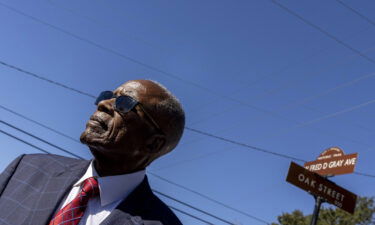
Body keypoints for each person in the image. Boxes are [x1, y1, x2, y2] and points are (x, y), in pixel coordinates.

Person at [0, 80, 185, 225]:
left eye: (124, 103)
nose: (103, 103)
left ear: (153, 143)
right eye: (107, 96)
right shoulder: (26, 168)